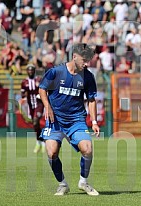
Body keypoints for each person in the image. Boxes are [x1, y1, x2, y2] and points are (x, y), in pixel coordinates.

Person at [39, 43, 100, 196]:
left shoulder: (88, 76)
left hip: (76, 119)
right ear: (74, 56)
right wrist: (47, 106)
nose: (86, 64)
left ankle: (83, 182)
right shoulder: (56, 72)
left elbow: (91, 100)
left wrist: (94, 121)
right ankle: (62, 184)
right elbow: (42, 89)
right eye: (84, 60)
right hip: (55, 120)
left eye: (88, 61)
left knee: (88, 149)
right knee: (52, 152)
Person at [21, 64, 45, 153]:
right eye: (29, 70)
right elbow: (22, 94)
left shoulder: (39, 80)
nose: (30, 72)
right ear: (27, 71)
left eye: (32, 70)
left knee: (35, 121)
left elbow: (44, 90)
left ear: (34, 71)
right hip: (30, 105)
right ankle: (40, 141)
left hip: (39, 104)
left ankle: (41, 142)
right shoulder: (24, 82)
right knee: (35, 125)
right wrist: (23, 96)